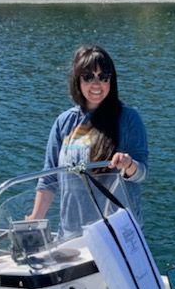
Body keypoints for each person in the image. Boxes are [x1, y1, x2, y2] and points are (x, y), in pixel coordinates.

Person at [29, 45, 148, 236]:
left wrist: (129, 164)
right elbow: (49, 178)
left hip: (117, 235)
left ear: (111, 80)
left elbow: (141, 173)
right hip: (71, 234)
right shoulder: (64, 122)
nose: (96, 84)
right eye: (88, 77)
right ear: (77, 80)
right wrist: (34, 220)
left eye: (103, 77)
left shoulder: (128, 119)